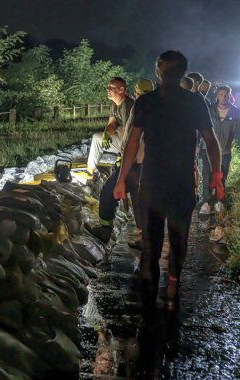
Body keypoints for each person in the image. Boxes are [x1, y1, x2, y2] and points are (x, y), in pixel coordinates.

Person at [113, 50, 224, 314]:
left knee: (151, 241)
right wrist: (216, 174)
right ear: (182, 72)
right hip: (181, 183)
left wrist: (121, 178)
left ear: (157, 71)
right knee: (179, 238)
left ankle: (150, 296)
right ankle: (172, 283)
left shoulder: (147, 102)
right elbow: (211, 142)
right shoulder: (194, 101)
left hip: (152, 183)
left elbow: (132, 143)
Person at [84, 79, 154, 244]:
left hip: (136, 162)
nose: (108, 90)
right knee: (138, 200)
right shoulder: (151, 108)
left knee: (110, 191)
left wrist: (122, 167)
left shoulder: (136, 108)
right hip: (144, 162)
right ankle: (145, 237)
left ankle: (105, 230)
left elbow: (132, 140)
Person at [199, 85, 240, 215]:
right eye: (221, 95)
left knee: (222, 177)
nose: (224, 97)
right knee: (207, 176)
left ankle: (219, 201)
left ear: (230, 96)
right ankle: (206, 203)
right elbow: (201, 129)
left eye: (226, 95)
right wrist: (197, 145)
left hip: (225, 152)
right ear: (217, 95)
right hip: (208, 150)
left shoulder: (236, 112)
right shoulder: (210, 110)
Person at [86, 77, 134, 176]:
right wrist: (106, 134)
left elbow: (127, 133)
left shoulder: (127, 106)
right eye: (108, 86)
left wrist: (122, 154)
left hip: (132, 144)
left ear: (121, 90)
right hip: (123, 138)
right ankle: (90, 172)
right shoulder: (113, 103)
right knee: (97, 138)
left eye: (111, 87)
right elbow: (111, 123)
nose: (107, 89)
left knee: (120, 129)